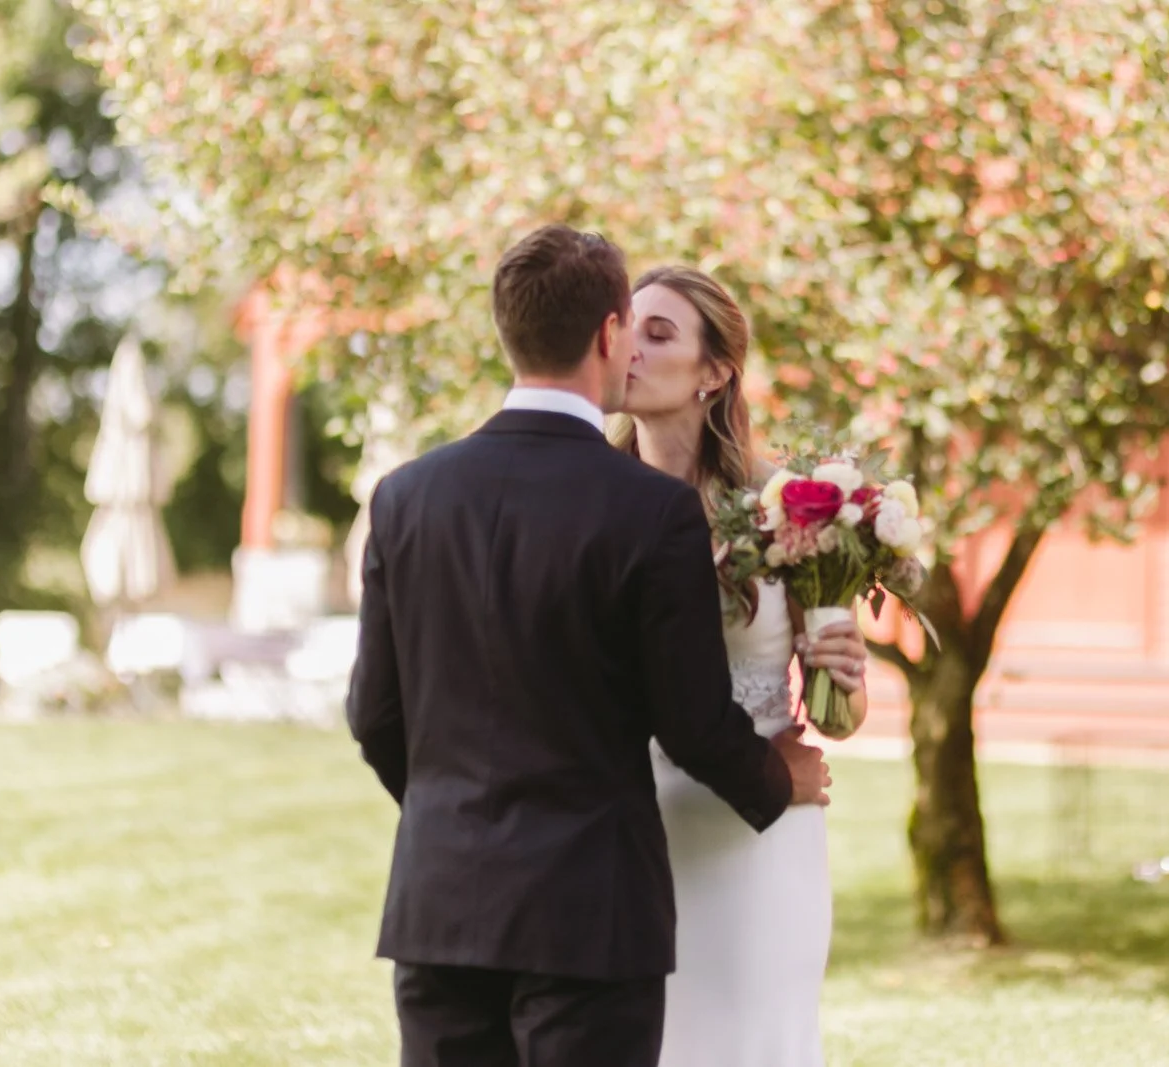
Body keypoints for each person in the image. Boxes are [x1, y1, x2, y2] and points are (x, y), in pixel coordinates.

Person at [346, 224, 831, 1067]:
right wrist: (773, 775)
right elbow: (688, 719)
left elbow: (374, 717)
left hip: (441, 903)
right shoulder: (648, 510)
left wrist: (456, 820)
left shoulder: (404, 496)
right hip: (590, 913)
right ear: (608, 333)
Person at [611, 266, 870, 1067]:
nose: (632, 350)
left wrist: (845, 672)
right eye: (628, 329)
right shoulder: (595, 497)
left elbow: (838, 721)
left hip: (760, 837)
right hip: (627, 833)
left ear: (715, 371)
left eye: (661, 335)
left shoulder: (786, 507)